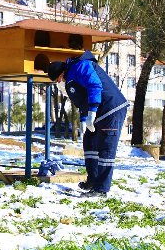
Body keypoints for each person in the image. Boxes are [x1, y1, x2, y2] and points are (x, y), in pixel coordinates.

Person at [47, 52, 129, 198]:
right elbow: (82, 100)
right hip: (99, 112)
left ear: (61, 73)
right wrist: (84, 118)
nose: (59, 82)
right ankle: (93, 181)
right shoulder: (71, 78)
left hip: (111, 108)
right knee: (89, 143)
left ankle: (101, 189)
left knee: (105, 148)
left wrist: (92, 111)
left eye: (58, 79)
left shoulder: (80, 67)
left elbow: (95, 85)